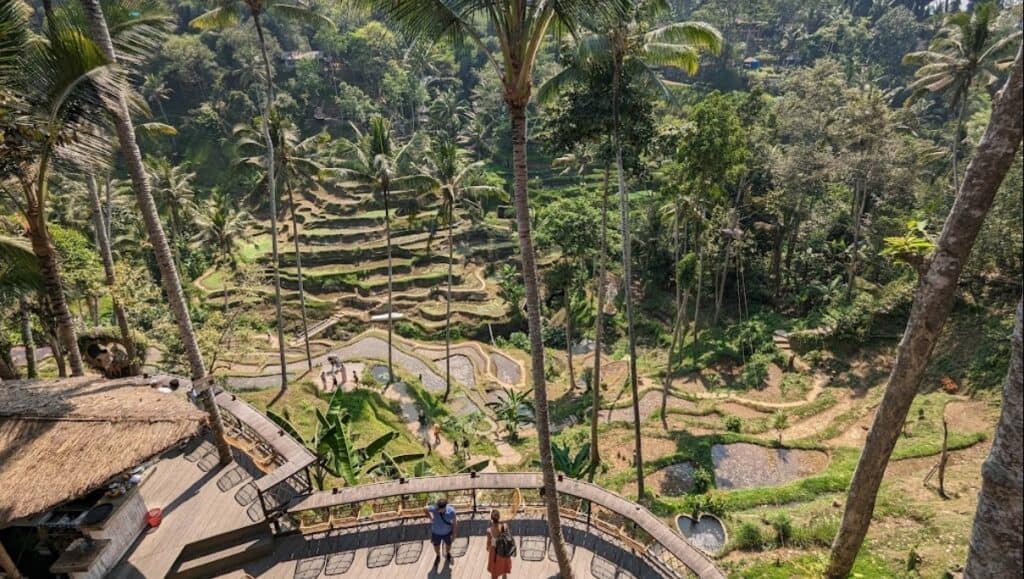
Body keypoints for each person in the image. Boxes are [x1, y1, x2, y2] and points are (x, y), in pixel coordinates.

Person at [425, 497, 457, 567]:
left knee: (448, 545)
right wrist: (430, 518)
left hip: (447, 533)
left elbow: (454, 523)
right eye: (438, 508)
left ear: (445, 507)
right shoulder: (434, 508)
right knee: (436, 546)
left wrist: (454, 534)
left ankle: (448, 553)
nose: (438, 510)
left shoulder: (451, 512)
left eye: (440, 509)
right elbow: (425, 509)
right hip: (436, 533)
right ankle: (438, 556)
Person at [486, 509, 513, 579]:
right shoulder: (505, 526)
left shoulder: (489, 531)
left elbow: (488, 546)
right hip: (504, 553)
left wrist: (489, 548)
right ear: (499, 517)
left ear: (491, 519)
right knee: (504, 571)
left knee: (494, 574)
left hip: (495, 554)